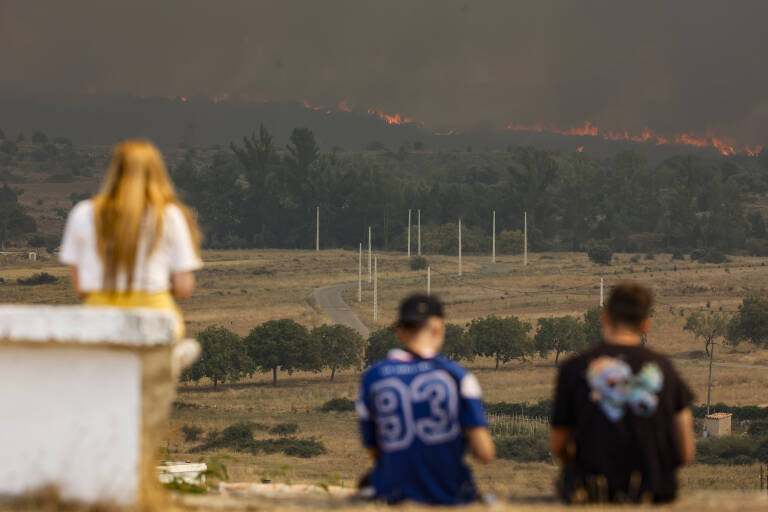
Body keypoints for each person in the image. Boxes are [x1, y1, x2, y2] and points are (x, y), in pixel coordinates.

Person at [550, 282, 695, 504]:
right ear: (646, 325)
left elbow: (558, 444)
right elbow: (686, 452)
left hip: (591, 494)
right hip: (653, 493)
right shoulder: (664, 369)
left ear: (605, 317)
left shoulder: (574, 368)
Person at [356, 294, 495, 505]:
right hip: (451, 493)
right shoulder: (457, 376)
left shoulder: (372, 377)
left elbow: (375, 449)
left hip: (393, 493)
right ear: (438, 327)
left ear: (400, 332)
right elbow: (485, 453)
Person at [60, 140, 202, 336]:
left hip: (98, 321)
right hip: (156, 320)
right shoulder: (170, 216)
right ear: (157, 172)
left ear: (114, 171)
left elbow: (79, 288)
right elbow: (184, 287)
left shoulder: (83, 213)